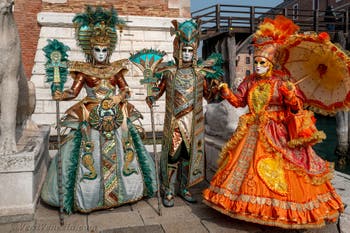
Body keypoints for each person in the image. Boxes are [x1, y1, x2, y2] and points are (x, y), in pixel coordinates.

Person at [202, 16, 344, 229]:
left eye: (262, 63)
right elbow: (239, 101)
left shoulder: (281, 82)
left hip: (278, 132)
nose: (258, 66)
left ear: (270, 63)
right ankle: (248, 206)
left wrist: (290, 95)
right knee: (246, 170)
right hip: (252, 130)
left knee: (283, 171)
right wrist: (225, 91)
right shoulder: (250, 81)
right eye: (256, 62)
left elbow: (296, 108)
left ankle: (285, 210)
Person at [41, 6, 157, 214]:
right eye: (97, 49)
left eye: (105, 50)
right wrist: (61, 94)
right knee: (88, 152)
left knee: (125, 150)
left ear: (109, 49)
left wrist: (118, 97)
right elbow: (74, 92)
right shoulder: (83, 70)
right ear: (90, 49)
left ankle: (123, 193)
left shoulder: (116, 69)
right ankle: (92, 197)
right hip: (91, 119)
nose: (101, 54)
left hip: (115, 117)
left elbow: (126, 90)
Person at [146, 19, 222, 207]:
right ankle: (169, 190)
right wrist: (151, 96)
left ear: (194, 51)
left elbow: (208, 96)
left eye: (190, 50)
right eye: (184, 50)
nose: (187, 54)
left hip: (193, 124)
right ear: (178, 50)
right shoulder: (169, 72)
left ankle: (184, 188)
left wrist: (215, 88)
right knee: (173, 155)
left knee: (188, 156)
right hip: (175, 123)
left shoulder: (200, 74)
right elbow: (159, 90)